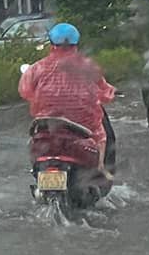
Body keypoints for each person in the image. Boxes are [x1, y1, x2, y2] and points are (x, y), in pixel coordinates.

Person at [19, 22, 116, 169]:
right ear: (76, 43)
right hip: (84, 123)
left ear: (52, 43)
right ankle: (100, 169)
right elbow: (104, 93)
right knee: (101, 136)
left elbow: (25, 91)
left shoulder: (37, 68)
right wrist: (111, 92)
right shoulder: (88, 67)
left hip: (47, 122)